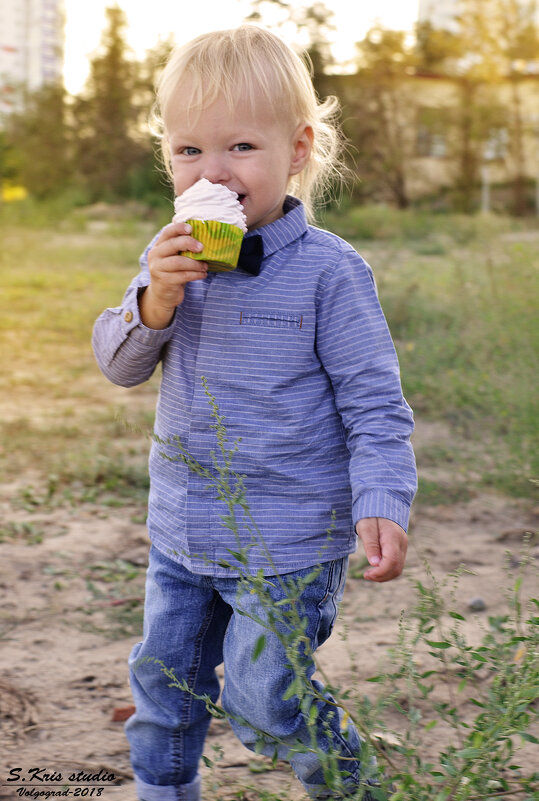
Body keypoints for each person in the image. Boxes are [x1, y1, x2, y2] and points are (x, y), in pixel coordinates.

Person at [92, 25, 417, 801]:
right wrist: (156, 299)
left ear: (296, 150)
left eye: (240, 146)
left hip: (288, 536)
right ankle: (163, 788)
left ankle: (348, 786)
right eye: (188, 151)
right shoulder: (167, 254)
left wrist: (382, 498)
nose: (213, 171)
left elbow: (373, 400)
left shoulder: (330, 275)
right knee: (164, 684)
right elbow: (120, 363)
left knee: (266, 697)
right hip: (182, 525)